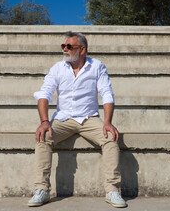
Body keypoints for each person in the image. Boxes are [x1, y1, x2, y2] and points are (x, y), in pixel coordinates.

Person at [28, 31, 127, 208]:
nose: (65, 49)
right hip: (63, 119)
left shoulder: (97, 66)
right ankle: (41, 190)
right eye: (63, 46)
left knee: (111, 137)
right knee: (43, 137)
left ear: (82, 50)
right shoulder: (57, 68)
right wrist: (44, 122)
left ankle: (112, 190)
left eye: (69, 47)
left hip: (89, 118)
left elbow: (107, 93)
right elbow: (44, 95)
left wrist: (107, 122)